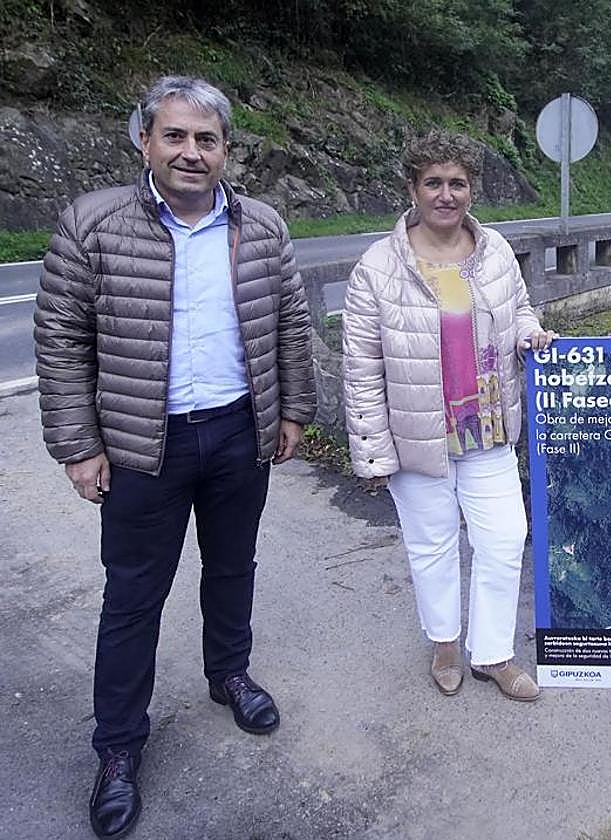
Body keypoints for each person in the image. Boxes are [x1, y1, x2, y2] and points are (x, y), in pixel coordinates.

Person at [33, 75, 315, 838]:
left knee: (233, 567)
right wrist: (79, 447)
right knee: (132, 598)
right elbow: (60, 343)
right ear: (145, 141)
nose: (192, 152)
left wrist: (294, 409)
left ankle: (229, 675)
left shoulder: (260, 226)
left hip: (234, 432)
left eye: (207, 139)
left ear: (227, 150)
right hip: (138, 445)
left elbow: (290, 321)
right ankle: (119, 747)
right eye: (176, 136)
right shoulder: (91, 224)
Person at [341, 130, 555, 703]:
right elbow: (360, 366)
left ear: (472, 189)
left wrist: (531, 334)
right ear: (411, 187)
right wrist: (372, 450)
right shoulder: (379, 267)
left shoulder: (496, 252)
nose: (445, 194)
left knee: (505, 538)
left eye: (457, 183)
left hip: (486, 428)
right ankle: (443, 642)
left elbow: (520, 310)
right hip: (417, 435)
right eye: (432, 182)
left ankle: (492, 654)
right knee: (432, 544)